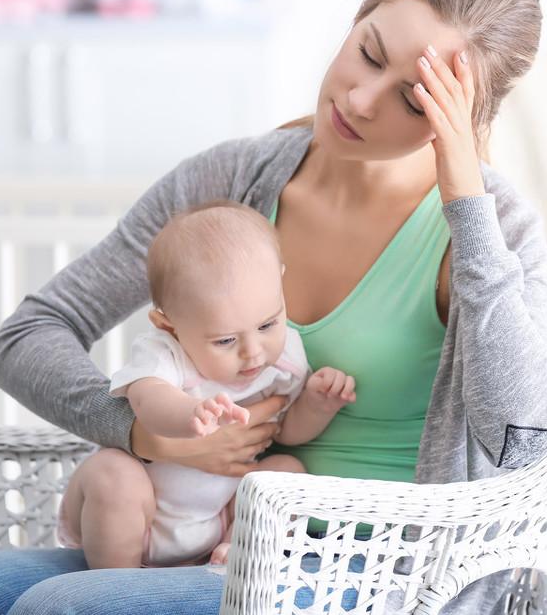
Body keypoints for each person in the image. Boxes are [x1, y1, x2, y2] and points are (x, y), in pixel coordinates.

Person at [0, 0, 547, 615]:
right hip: (212, 538)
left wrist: (465, 197)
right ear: (357, 20)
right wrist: (145, 434)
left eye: (412, 98)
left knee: (60, 607)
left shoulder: (490, 227)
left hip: (377, 572)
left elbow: (527, 437)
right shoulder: (236, 180)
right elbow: (25, 336)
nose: (360, 99)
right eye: (369, 53)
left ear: (458, 117)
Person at [55, 200, 356, 570]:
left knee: (286, 470)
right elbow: (148, 402)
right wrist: (190, 414)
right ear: (170, 326)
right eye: (226, 340)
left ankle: (236, 546)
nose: (253, 353)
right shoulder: (163, 352)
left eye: (267, 325)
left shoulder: (285, 356)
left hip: (216, 520)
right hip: (139, 517)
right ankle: (114, 583)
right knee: (112, 472)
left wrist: (317, 404)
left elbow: (285, 429)